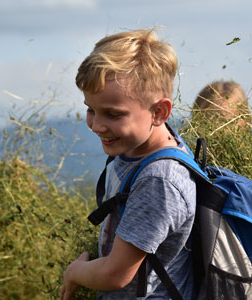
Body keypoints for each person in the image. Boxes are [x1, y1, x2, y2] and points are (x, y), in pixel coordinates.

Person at [60, 29, 197, 299]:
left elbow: (115, 274)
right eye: (91, 109)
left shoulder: (159, 180)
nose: (97, 125)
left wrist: (75, 272)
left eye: (113, 114)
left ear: (159, 112)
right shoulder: (136, 147)